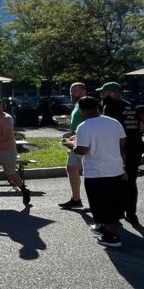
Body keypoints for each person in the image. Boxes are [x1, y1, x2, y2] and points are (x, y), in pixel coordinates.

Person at [71, 97, 127, 248]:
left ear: (82, 110)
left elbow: (82, 150)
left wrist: (71, 145)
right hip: (115, 168)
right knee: (114, 202)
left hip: (97, 171)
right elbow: (122, 146)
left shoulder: (84, 126)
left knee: (102, 205)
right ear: (97, 107)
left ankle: (112, 236)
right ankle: (108, 227)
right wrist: (125, 167)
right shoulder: (114, 122)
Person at [98, 82, 142, 226]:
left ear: (111, 93)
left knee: (115, 183)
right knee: (131, 182)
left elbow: (108, 130)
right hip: (134, 149)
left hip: (118, 150)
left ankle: (117, 213)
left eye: (103, 93)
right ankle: (131, 214)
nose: (101, 96)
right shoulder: (130, 106)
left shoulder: (110, 107)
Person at [59, 82, 87, 210]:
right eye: (71, 91)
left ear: (83, 91)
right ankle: (76, 199)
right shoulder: (77, 105)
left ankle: (96, 202)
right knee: (71, 168)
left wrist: (74, 136)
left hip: (83, 143)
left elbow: (89, 124)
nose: (71, 93)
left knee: (89, 173)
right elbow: (77, 127)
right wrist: (69, 134)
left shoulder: (87, 105)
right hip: (74, 142)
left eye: (74, 91)